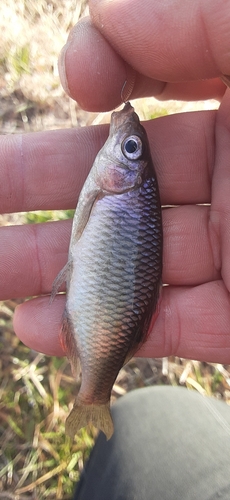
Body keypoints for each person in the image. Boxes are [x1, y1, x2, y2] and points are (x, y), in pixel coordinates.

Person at [1, 0, 230, 497]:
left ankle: (93, 394)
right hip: (104, 307)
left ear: (127, 176)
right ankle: (94, 396)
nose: (127, 136)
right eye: (133, 147)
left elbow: (84, 233)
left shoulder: (116, 193)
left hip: (104, 314)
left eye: (132, 149)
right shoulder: (120, 194)